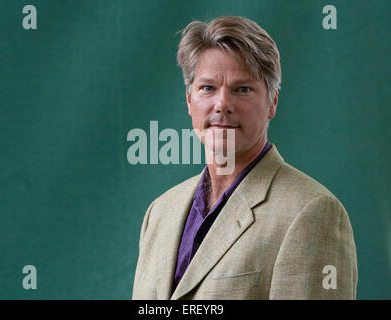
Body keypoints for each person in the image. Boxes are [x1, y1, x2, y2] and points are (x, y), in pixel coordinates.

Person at [132, 16, 358, 299]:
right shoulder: (160, 212)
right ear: (189, 100)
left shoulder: (312, 212)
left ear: (272, 102)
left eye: (243, 89)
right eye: (208, 88)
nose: (223, 103)